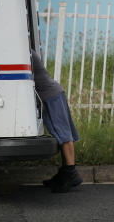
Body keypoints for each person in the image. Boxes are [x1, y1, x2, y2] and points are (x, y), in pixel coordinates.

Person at [30, 48, 82, 193]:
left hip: (51, 97)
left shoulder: (25, 52)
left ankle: (71, 174)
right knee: (63, 135)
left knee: (63, 135)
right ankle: (65, 174)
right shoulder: (28, 50)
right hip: (54, 94)